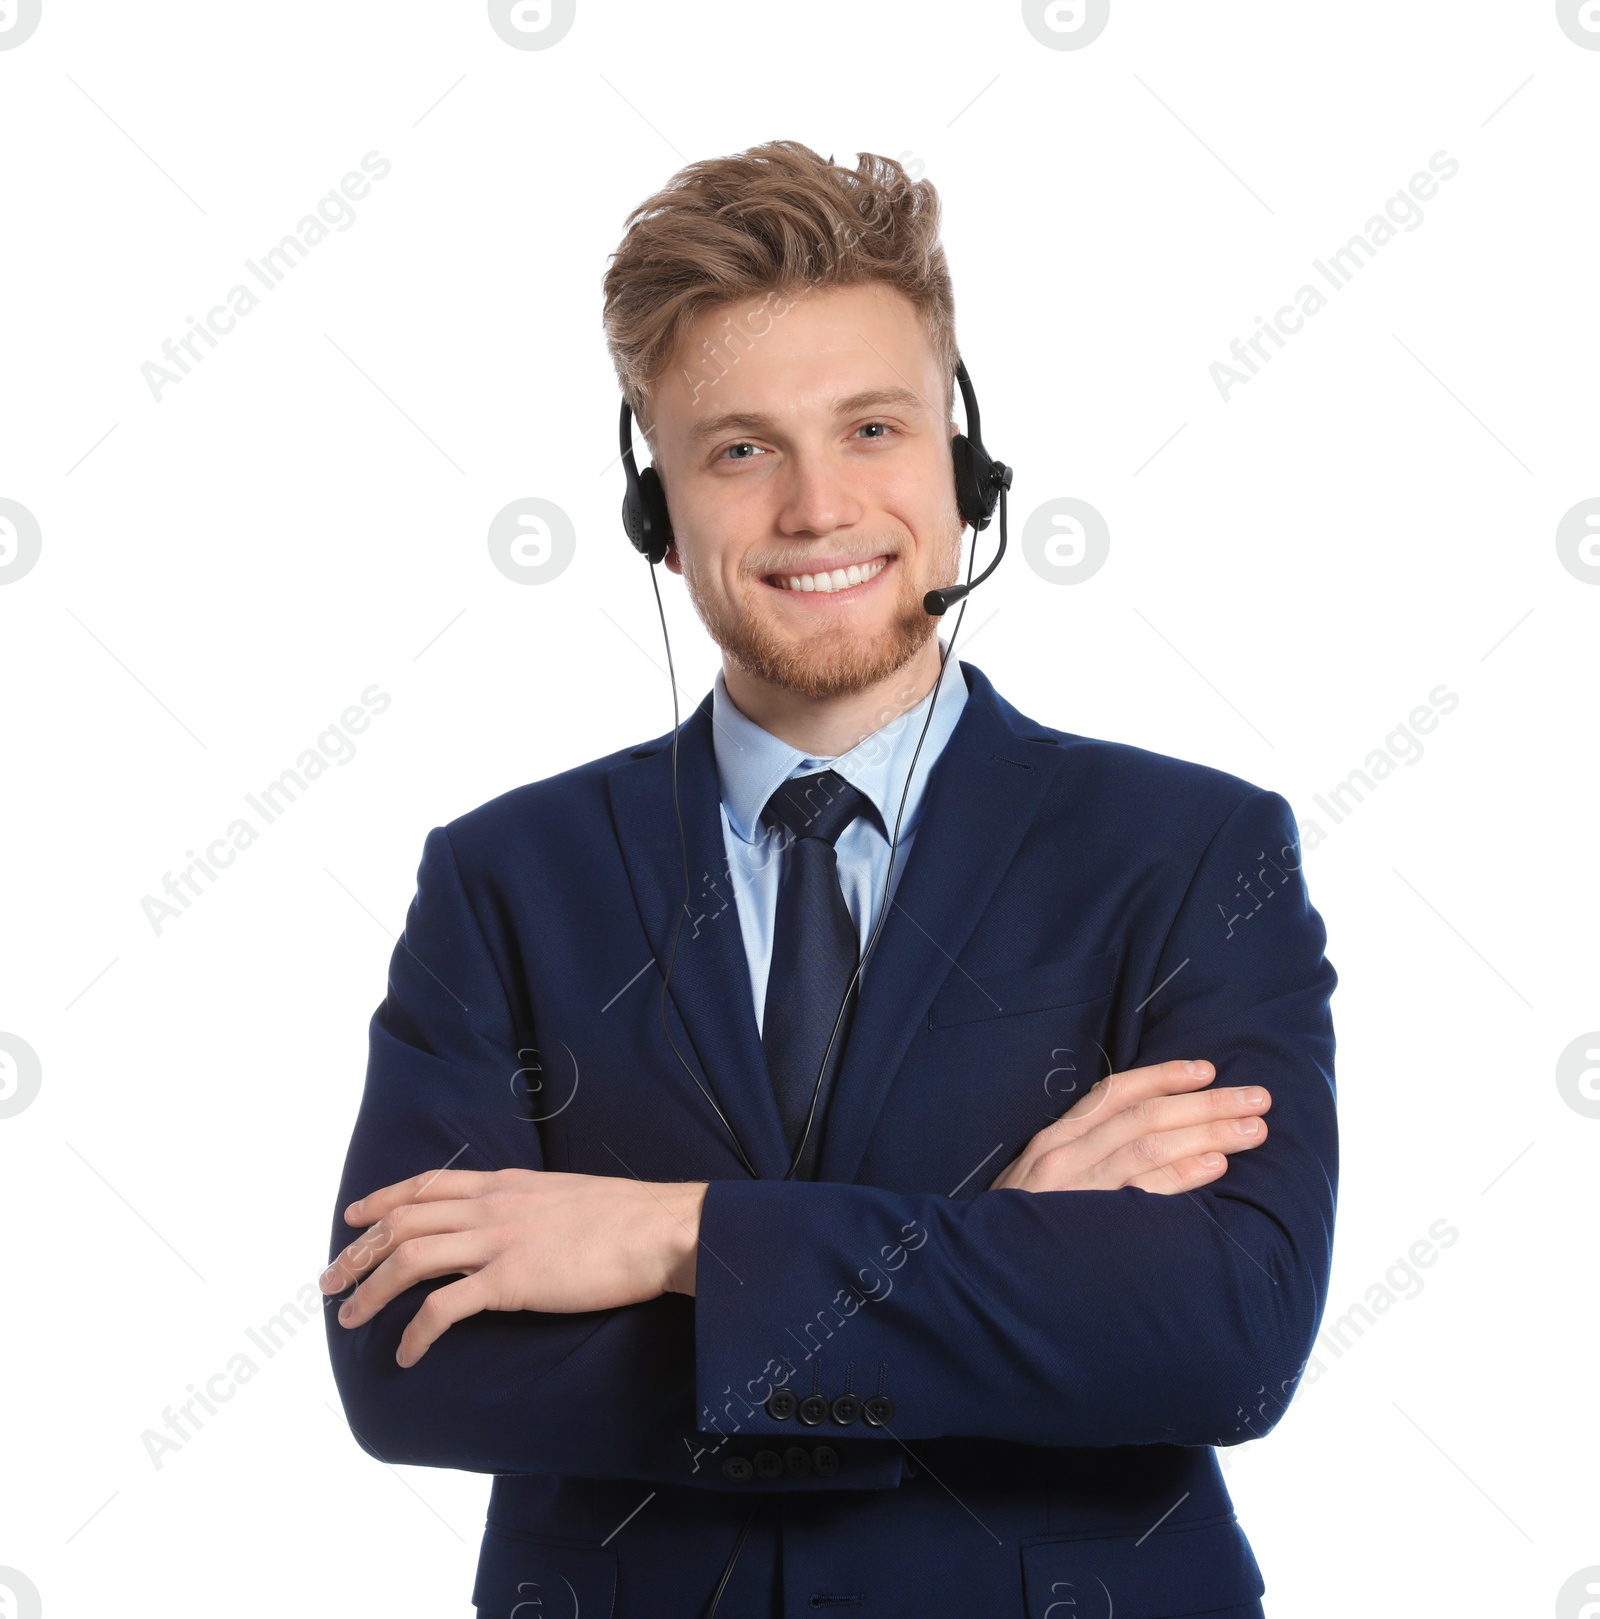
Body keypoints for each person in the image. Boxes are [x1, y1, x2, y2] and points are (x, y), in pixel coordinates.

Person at [320, 140, 1338, 1619]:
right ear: (656, 511)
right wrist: (1007, 1253)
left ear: (963, 463)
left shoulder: (1192, 853)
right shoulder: (501, 881)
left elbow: (1224, 1337)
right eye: (739, 448)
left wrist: (668, 1239)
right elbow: (412, 1361)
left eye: (872, 427)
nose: (815, 507)